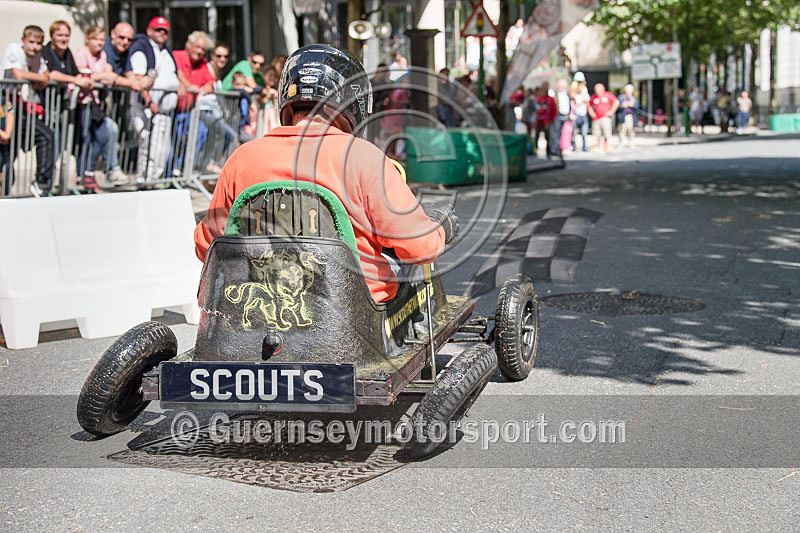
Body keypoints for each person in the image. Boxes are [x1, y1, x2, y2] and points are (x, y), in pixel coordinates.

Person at [194, 44, 456, 304]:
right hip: (350, 310)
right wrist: (439, 228)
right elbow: (418, 247)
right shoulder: (365, 157)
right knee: (406, 267)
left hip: (262, 306)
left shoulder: (242, 158)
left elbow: (206, 245)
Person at [1, 25, 56, 197]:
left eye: (39, 43)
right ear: (22, 40)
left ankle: (41, 182)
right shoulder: (13, 49)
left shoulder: (38, 57)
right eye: (31, 42)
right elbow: (18, 75)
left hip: (17, 107)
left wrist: (37, 78)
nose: (35, 47)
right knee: (5, 157)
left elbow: (46, 79)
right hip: (5, 104)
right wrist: (38, 78)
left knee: (45, 135)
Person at [125, 15, 179, 183]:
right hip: (146, 108)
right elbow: (139, 79)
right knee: (148, 145)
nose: (162, 33)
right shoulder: (141, 47)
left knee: (162, 149)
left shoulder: (165, 50)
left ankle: (155, 181)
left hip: (164, 111)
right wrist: (149, 101)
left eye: (165, 30)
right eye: (158, 29)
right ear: (149, 30)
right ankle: (144, 182)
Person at [73, 25, 116, 191]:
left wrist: (101, 76)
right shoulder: (81, 54)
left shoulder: (103, 55)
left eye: (101, 40)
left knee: (102, 134)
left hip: (95, 102)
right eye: (96, 39)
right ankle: (80, 174)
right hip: (81, 102)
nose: (99, 43)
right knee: (84, 138)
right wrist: (102, 76)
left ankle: (89, 171)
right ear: (87, 39)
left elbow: (104, 75)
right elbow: (81, 76)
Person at [101, 22, 140, 183]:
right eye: (121, 37)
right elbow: (109, 76)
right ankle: (111, 168)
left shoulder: (125, 52)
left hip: (109, 101)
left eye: (129, 39)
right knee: (111, 129)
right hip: (96, 102)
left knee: (112, 131)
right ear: (112, 34)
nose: (125, 42)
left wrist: (137, 81)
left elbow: (130, 75)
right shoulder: (106, 50)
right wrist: (132, 83)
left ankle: (112, 168)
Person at [588, 82, 618, 151]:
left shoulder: (607, 95)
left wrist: (611, 111)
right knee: (597, 133)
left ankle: (606, 145)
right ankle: (599, 145)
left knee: (606, 132)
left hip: (605, 117)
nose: (598, 91)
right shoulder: (594, 97)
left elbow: (616, 102)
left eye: (599, 89)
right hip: (596, 118)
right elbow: (588, 105)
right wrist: (591, 113)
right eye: (596, 89)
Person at [534, 82, 556, 157]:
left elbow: (554, 110)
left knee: (548, 137)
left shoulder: (550, 99)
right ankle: (535, 151)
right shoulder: (537, 98)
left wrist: (551, 119)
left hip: (547, 122)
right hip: (538, 121)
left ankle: (548, 152)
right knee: (536, 136)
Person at [550, 78, 571, 156]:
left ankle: (563, 148)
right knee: (555, 132)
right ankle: (555, 149)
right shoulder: (553, 93)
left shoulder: (567, 93)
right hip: (557, 115)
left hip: (565, 115)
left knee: (564, 133)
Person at [571, 74, 590, 151]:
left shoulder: (585, 91)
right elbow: (576, 100)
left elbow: (587, 100)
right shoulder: (572, 92)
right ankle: (573, 146)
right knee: (574, 132)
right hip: (576, 114)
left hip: (583, 114)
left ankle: (584, 146)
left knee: (584, 133)